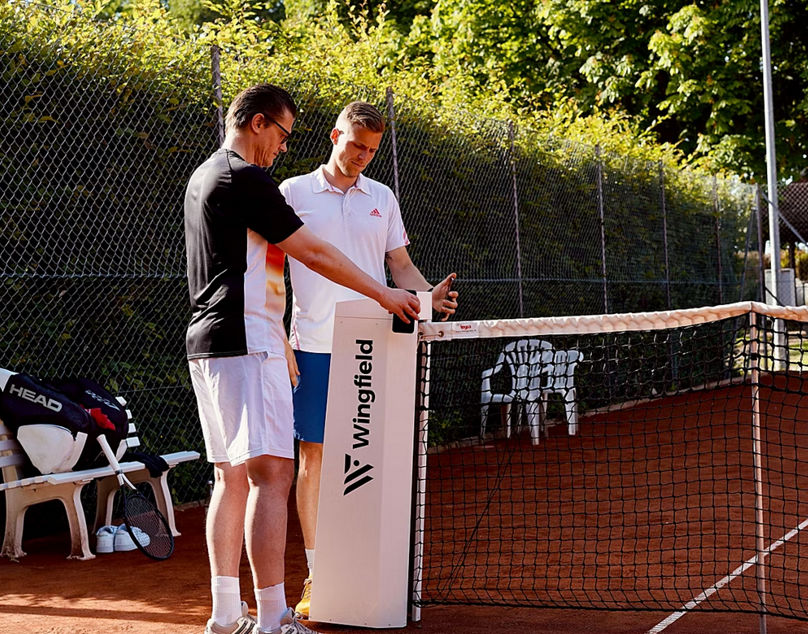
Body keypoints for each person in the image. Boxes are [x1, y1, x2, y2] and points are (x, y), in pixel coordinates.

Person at [184, 85, 421, 634]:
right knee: (274, 474)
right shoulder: (248, 179)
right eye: (283, 135)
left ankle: (225, 613)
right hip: (251, 339)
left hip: (208, 343)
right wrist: (384, 294)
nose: (284, 148)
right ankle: (273, 617)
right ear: (260, 123)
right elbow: (310, 251)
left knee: (231, 476)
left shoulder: (203, 176)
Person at [278, 101, 459, 618]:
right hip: (313, 346)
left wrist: (429, 298)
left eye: (372, 151)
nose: (363, 157)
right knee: (313, 457)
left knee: (369, 459)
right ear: (336, 136)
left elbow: (399, 266)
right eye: (356, 145)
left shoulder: (382, 197)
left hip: (377, 348)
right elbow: (267, 267)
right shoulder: (291, 193)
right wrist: (279, 335)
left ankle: (366, 568)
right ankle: (319, 572)